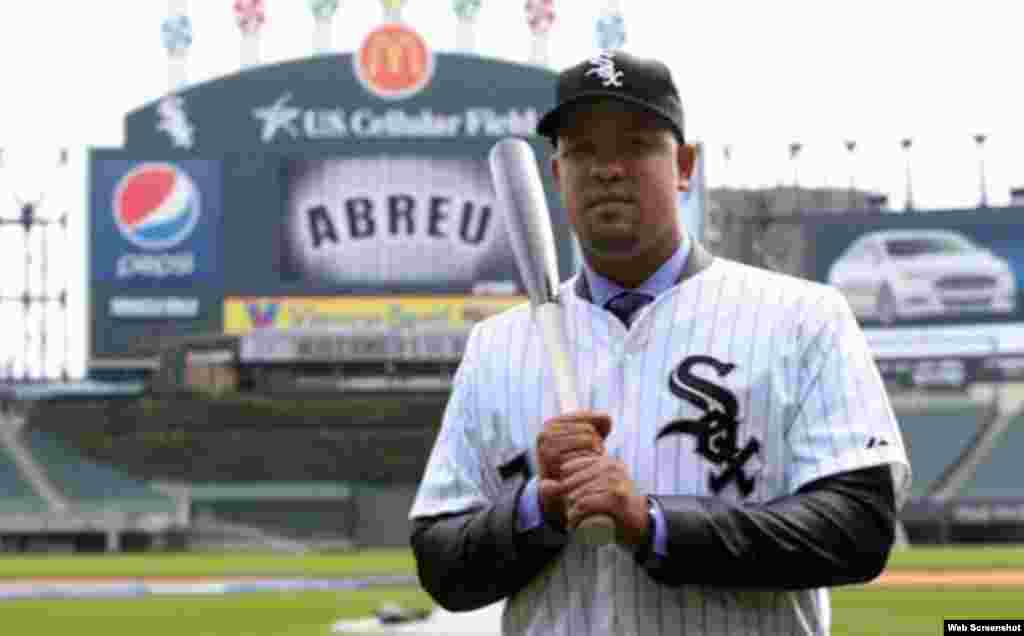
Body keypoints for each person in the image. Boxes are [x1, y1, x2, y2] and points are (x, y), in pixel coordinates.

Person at [409, 50, 911, 636]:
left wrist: (654, 525)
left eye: (636, 144)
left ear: (684, 165)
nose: (608, 169)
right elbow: (442, 564)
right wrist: (536, 508)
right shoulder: (496, 345)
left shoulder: (802, 317)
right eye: (584, 150)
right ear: (556, 173)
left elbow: (857, 529)